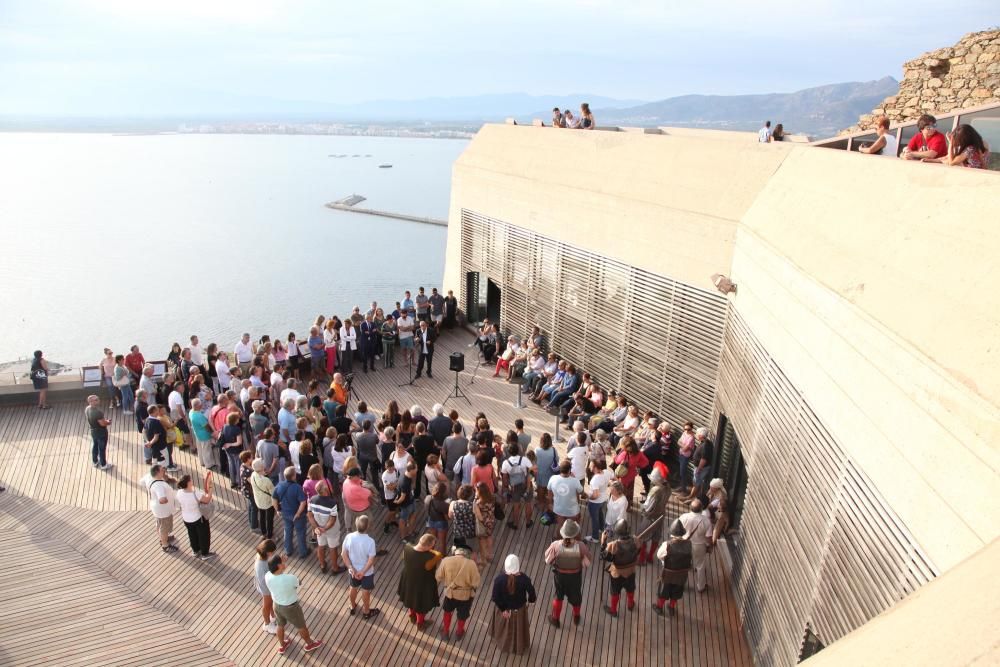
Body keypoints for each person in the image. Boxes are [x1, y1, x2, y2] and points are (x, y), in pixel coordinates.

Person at [264, 554, 323, 655]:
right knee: (301, 626)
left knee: (280, 625)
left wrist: (280, 563)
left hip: (277, 605)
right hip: (291, 607)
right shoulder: (290, 578)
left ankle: (282, 645)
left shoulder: (267, 575)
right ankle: (309, 644)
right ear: (278, 565)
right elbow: (298, 583)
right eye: (282, 562)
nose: (284, 563)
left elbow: (277, 573)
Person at [543, 519, 591, 628]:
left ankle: (555, 619)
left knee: (558, 596)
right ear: (575, 533)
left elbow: (547, 560)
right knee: (576, 597)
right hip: (575, 576)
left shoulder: (556, 545)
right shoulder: (581, 546)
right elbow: (588, 560)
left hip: (560, 576)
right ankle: (576, 616)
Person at [490, 555, 536, 655]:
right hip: (519, 611)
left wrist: (503, 610)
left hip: (503, 610)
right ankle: (518, 647)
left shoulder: (499, 579)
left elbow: (495, 597)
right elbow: (532, 593)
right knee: (519, 631)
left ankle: (504, 645)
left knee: (503, 630)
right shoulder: (524, 579)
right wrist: (531, 600)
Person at [397, 533, 443, 630]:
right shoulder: (431, 557)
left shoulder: (407, 547)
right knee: (421, 604)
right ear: (428, 546)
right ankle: (420, 624)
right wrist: (431, 550)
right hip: (422, 584)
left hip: (408, 580)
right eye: (432, 545)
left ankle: (411, 616)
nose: (433, 547)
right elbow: (438, 555)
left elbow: (404, 557)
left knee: (410, 597)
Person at [436, 544, 481, 640]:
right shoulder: (471, 564)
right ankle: (459, 633)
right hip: (465, 596)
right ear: (467, 554)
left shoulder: (446, 561)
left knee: (447, 612)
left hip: (450, 594)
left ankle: (445, 632)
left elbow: (438, 577)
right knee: (462, 614)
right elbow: (476, 583)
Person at [342, 515, 381, 620]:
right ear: (367, 526)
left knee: (353, 587)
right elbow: (371, 560)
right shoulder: (370, 541)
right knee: (365, 591)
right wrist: (363, 572)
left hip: (353, 571)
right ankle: (366, 611)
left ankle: (352, 606)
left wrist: (350, 568)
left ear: (356, 524)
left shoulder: (349, 537)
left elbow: (343, 554)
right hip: (367, 573)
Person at [653, 519, 693, 616]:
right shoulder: (689, 544)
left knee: (664, 591)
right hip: (682, 574)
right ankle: (671, 608)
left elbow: (659, 555)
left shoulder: (667, 545)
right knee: (677, 591)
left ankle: (659, 608)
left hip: (668, 573)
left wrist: (664, 560)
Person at [307, 480, 346, 575]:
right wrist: (324, 528)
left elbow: (310, 515)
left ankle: (323, 565)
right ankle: (335, 568)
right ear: (325, 490)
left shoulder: (312, 500)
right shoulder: (332, 503)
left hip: (319, 529)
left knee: (321, 546)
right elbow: (332, 521)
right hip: (331, 530)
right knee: (333, 548)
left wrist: (316, 528)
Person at [601, 519, 638, 617]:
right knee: (630, 588)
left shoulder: (613, 545)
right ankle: (630, 604)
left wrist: (603, 542)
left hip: (617, 573)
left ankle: (613, 611)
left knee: (615, 591)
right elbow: (638, 551)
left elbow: (604, 556)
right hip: (630, 571)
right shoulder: (636, 540)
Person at [176, 473, 216, 560]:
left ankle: (196, 550)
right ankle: (205, 553)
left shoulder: (179, 493)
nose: (192, 481)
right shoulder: (195, 494)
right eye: (190, 480)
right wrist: (210, 488)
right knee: (203, 536)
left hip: (186, 518)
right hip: (198, 518)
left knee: (192, 535)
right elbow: (207, 499)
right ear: (188, 483)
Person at [678, 499, 712, 593]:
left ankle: (681, 584)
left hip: (684, 544)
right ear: (701, 509)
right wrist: (709, 546)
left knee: (683, 565)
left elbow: (678, 530)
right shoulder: (706, 521)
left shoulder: (683, 517)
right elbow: (709, 537)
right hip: (699, 545)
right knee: (700, 566)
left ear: (690, 508)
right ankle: (701, 587)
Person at [637, 467, 669, 565]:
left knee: (641, 537)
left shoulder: (655, 490)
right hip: (660, 515)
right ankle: (650, 557)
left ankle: (642, 559)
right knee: (656, 537)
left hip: (650, 516)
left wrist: (642, 508)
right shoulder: (668, 487)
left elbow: (647, 506)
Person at [142, 464, 177, 553]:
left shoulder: (149, 476)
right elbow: (162, 500)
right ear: (157, 472)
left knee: (159, 524)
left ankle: (163, 538)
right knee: (164, 527)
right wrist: (168, 499)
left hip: (155, 507)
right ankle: (165, 545)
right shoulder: (159, 486)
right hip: (163, 510)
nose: (164, 471)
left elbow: (141, 482)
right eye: (162, 470)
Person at [501, 444, 532, 529]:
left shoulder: (506, 463)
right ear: (518, 451)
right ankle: (528, 522)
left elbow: (504, 477)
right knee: (528, 503)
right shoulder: (524, 459)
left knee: (516, 505)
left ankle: (515, 524)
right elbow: (531, 470)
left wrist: (506, 487)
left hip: (514, 486)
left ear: (509, 452)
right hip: (525, 484)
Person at [613, 436, 649, 505]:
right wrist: (637, 464)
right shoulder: (639, 453)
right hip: (632, 475)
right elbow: (646, 462)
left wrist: (614, 457)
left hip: (623, 477)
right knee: (630, 491)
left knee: (621, 491)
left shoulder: (624, 454)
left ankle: (621, 505)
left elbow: (617, 461)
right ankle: (629, 504)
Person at [547, 460, 582, 530]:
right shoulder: (575, 481)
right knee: (574, 529)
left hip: (558, 509)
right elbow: (581, 491)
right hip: (573, 511)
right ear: (569, 470)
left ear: (560, 469)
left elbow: (549, 493)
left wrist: (550, 504)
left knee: (561, 528)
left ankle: (558, 539)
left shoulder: (553, 478)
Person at [682, 427, 714, 502]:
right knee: (696, 482)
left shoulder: (705, 445)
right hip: (700, 467)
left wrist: (699, 469)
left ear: (701, 436)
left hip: (701, 468)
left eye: (697, 434)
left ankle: (691, 498)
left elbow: (704, 459)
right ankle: (693, 497)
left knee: (697, 483)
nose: (696, 435)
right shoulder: (705, 442)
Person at [254, 539, 278, 634]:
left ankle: (272, 616)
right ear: (268, 552)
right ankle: (267, 624)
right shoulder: (260, 565)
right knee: (266, 605)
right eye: (272, 552)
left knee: (270, 603)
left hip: (266, 585)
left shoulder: (260, 556)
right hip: (266, 588)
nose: (273, 553)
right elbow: (263, 581)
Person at [585, 459, 611, 543]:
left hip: (595, 502)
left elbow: (596, 495)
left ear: (595, 468)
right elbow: (614, 478)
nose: (589, 467)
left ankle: (595, 537)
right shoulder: (606, 472)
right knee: (600, 514)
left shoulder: (595, 480)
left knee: (594, 519)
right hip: (603, 499)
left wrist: (589, 498)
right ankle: (601, 528)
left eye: (591, 466)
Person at [250, 458, 276, 539]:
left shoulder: (253, 475)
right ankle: (270, 535)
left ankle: (264, 533)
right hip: (267, 502)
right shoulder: (266, 480)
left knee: (262, 516)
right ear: (261, 467)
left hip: (258, 500)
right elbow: (273, 493)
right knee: (269, 519)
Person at [84, 394, 111, 470]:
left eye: (98, 399)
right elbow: (102, 423)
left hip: (93, 431)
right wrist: (108, 422)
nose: (98, 400)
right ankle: (103, 465)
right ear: (91, 402)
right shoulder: (98, 412)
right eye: (96, 400)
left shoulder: (87, 409)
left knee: (95, 446)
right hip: (101, 433)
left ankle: (95, 461)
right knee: (102, 449)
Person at [473, 482, 496, 567]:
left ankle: (484, 559)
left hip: (483, 523)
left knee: (482, 540)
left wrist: (475, 499)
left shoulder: (478, 503)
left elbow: (479, 517)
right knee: (489, 536)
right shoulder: (493, 498)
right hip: (491, 520)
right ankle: (490, 555)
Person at [219, 412, 244, 487]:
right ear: (235, 420)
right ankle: (240, 484)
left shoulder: (224, 426)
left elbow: (220, 435)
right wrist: (230, 444)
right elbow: (239, 442)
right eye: (237, 419)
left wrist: (226, 444)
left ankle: (233, 482)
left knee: (231, 464)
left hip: (227, 450)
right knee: (238, 466)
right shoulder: (236, 429)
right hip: (236, 450)